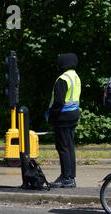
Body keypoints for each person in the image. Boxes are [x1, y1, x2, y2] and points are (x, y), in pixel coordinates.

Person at [46, 53, 81, 188]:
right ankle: (70, 176)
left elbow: (59, 101)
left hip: (63, 116)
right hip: (74, 114)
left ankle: (66, 178)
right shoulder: (76, 76)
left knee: (63, 147)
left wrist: (52, 116)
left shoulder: (63, 78)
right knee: (70, 147)